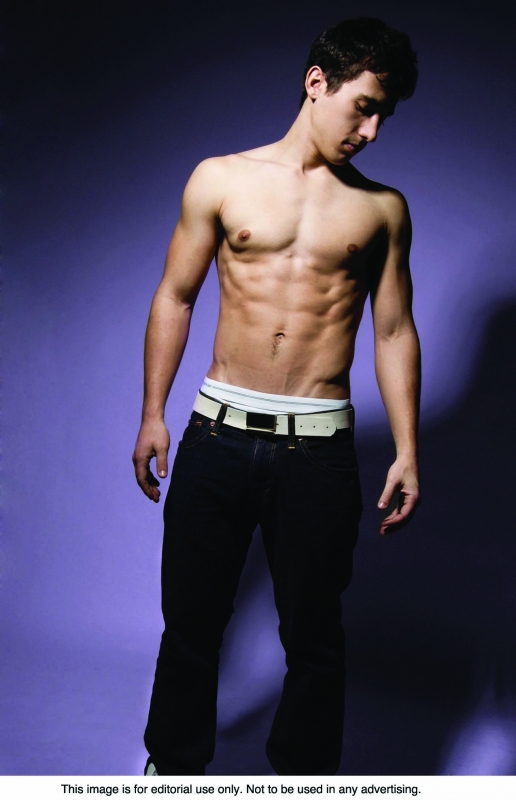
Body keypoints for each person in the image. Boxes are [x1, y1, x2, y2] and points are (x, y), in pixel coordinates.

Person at [132, 16, 421, 777]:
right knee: (191, 623)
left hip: (318, 450)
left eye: (384, 117)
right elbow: (175, 297)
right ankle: (172, 773)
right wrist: (153, 413)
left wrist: (407, 449)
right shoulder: (219, 179)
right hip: (218, 435)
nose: (372, 131)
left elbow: (394, 331)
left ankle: (303, 781)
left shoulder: (382, 209)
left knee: (314, 637)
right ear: (317, 82)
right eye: (364, 107)